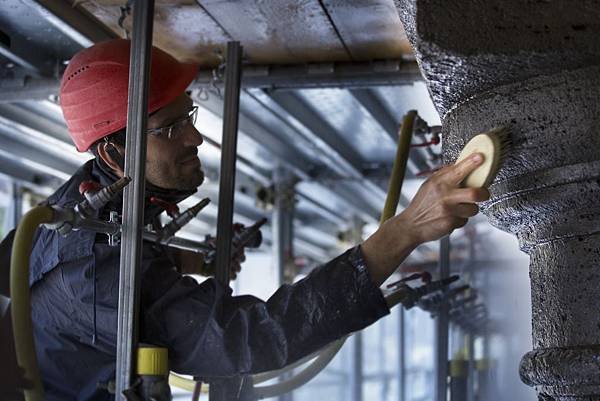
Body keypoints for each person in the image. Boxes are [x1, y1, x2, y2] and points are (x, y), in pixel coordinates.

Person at [23, 39, 488, 401]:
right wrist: (407, 229)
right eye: (169, 128)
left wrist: (191, 263)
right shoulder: (89, 267)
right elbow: (250, 340)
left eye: (189, 115)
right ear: (113, 151)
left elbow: (117, 268)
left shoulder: (92, 197)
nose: (196, 137)